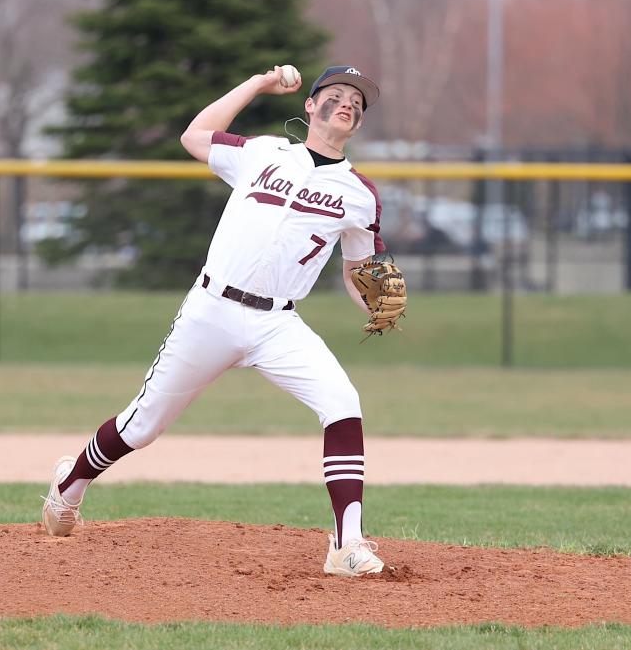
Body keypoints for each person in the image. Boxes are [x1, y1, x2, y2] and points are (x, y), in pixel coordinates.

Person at [42, 65, 388, 577]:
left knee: (343, 404)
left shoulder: (360, 193)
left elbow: (359, 268)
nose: (348, 104)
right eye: (336, 95)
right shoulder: (264, 152)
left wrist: (376, 304)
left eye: (357, 103)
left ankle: (347, 544)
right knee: (144, 425)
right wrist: (257, 84)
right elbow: (195, 136)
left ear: (357, 123)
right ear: (310, 106)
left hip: (278, 324)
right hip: (212, 311)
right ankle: (71, 483)